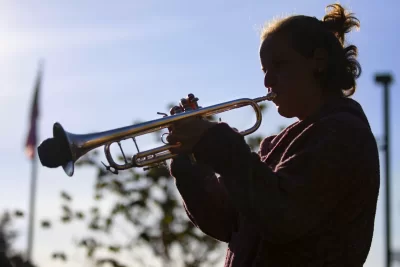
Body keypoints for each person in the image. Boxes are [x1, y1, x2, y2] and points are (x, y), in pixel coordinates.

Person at [166, 3, 380, 266]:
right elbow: (225, 222)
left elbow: (282, 215)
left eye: (278, 64)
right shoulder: (280, 143)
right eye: (264, 70)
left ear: (318, 62)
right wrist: (189, 162)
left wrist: (218, 143)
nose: (267, 81)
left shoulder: (344, 134)